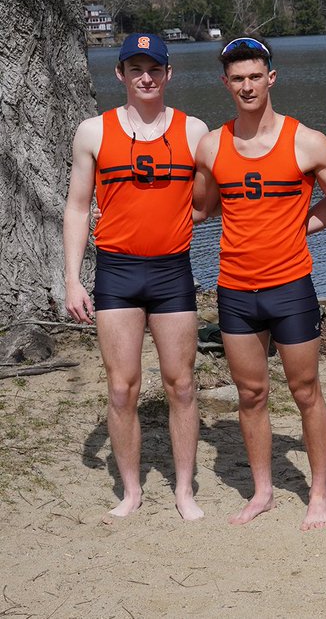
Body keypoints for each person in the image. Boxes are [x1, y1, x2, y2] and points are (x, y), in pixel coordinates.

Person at [192, 37, 326, 530]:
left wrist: (300, 225)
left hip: (291, 287)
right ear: (226, 84)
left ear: (271, 78)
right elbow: (201, 207)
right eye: (237, 79)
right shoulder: (213, 144)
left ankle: (318, 491)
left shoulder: (307, 141)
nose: (247, 86)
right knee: (251, 394)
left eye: (255, 76)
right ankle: (262, 490)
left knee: (305, 391)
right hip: (234, 289)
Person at [63, 33, 209, 521]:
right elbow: (78, 207)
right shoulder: (93, 132)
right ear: (120, 75)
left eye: (154, 69)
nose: (145, 77)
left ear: (169, 74)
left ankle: (184, 490)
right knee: (122, 387)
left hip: (172, 272)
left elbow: (216, 193)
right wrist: (72, 280)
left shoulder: (193, 132)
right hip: (118, 273)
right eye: (135, 69)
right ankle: (131, 491)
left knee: (181, 384)